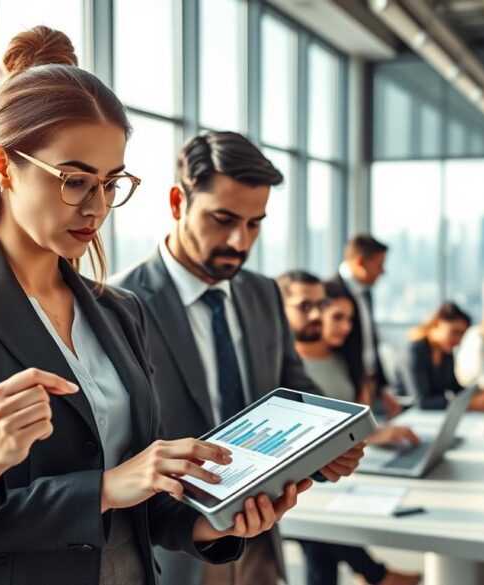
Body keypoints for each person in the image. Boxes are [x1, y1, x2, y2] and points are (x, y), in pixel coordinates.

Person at [0, 27, 304, 585]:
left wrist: (209, 524)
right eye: (74, 181)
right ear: (3, 168)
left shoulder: (119, 310)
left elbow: (138, 497)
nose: (96, 208)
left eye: (111, 183)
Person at [109, 131, 363, 585]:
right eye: (222, 219)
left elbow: (295, 391)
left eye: (254, 223)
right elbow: (119, 450)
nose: (239, 241)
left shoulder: (262, 293)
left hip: (260, 540)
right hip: (175, 550)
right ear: (176, 202)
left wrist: (326, 448)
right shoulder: (118, 305)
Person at [275, 270, 423, 585]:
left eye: (350, 320)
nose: (345, 326)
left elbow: (356, 416)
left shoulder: (343, 361)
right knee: (320, 542)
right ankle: (376, 574)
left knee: (322, 556)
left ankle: (374, 574)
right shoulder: (286, 368)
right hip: (307, 484)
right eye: (337, 317)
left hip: (343, 471)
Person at [334, 234, 403, 418]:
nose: (383, 271)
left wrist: (383, 387)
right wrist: (356, 386)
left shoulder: (366, 293)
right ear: (360, 262)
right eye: (379, 265)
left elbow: (371, 343)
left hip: (369, 385)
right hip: (347, 389)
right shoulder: (331, 291)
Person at [403, 302, 484, 411]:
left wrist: (478, 393)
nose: (458, 340)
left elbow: (455, 387)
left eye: (462, 335)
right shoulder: (415, 350)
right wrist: (469, 404)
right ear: (437, 323)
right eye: (455, 332)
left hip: (432, 415)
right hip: (408, 414)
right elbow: (422, 401)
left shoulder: (446, 353)